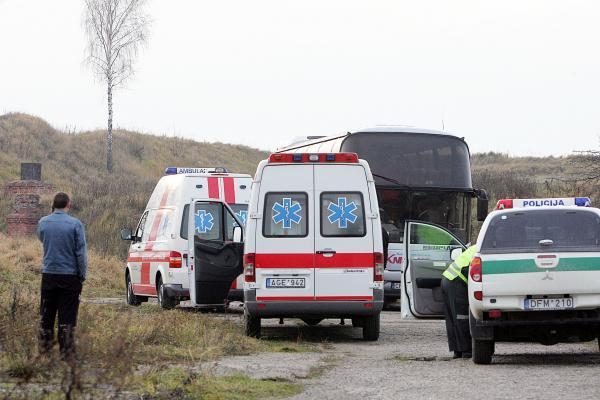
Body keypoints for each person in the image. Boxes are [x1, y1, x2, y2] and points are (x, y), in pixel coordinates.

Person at [37, 192, 87, 357]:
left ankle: (45, 350)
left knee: (46, 312)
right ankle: (66, 351)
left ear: (53, 204)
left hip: (49, 274)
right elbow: (80, 253)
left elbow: (42, 239)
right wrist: (82, 274)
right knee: (67, 314)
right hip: (70, 276)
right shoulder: (75, 224)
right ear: (68, 204)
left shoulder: (43, 223)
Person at [441, 245, 477, 359]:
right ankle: (466, 350)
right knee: (462, 317)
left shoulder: (476, 247)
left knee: (453, 319)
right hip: (457, 281)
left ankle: (457, 350)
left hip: (448, 279)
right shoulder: (481, 251)